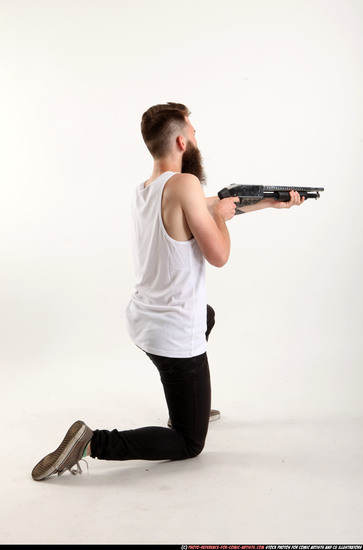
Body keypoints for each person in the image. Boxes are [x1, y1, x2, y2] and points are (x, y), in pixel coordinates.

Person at [31, 102, 304, 481]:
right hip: (173, 334)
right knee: (190, 442)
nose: (196, 137)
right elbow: (219, 254)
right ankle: (92, 442)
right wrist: (223, 220)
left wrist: (268, 202)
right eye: (193, 131)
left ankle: (191, 397)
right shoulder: (186, 184)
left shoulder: (147, 189)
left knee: (205, 314)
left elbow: (207, 206)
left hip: (144, 321)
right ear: (180, 140)